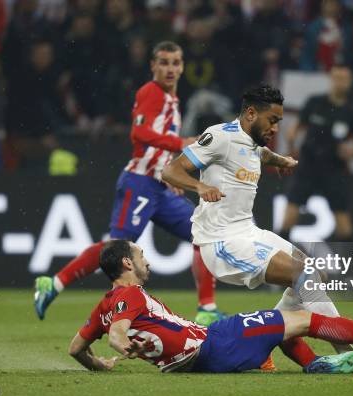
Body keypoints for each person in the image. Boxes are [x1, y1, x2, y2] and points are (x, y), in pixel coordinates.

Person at [161, 84, 353, 373]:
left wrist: (280, 160)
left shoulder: (252, 142)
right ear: (249, 113)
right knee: (303, 274)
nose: (275, 127)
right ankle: (350, 355)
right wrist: (200, 186)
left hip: (247, 232)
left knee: (315, 273)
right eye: (272, 120)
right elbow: (171, 170)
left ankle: (265, 338)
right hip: (221, 243)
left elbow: (258, 153)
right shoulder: (220, 136)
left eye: (279, 122)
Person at [34, 41, 224, 326]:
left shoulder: (172, 99)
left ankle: (207, 308)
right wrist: (181, 143)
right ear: (153, 66)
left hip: (159, 186)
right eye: (164, 62)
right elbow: (140, 133)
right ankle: (54, 283)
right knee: (117, 249)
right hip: (140, 183)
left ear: (183, 66)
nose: (170, 68)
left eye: (175, 63)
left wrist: (169, 172)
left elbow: (157, 142)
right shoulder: (151, 92)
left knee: (205, 233)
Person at [68, 240, 353, 373]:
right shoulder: (129, 295)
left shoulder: (104, 306)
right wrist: (120, 343)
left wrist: (98, 365)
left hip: (208, 345)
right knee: (302, 318)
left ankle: (316, 365)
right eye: (141, 255)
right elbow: (117, 333)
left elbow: (75, 348)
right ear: (127, 265)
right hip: (213, 347)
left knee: (277, 325)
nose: (147, 261)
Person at [280, 65, 353, 242]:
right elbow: (297, 125)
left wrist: (352, 151)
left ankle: (350, 267)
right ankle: (277, 262)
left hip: (334, 169)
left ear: (350, 82)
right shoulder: (315, 102)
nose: (341, 82)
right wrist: (291, 139)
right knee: (289, 217)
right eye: (337, 78)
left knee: (343, 224)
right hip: (308, 165)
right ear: (331, 80)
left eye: (345, 79)